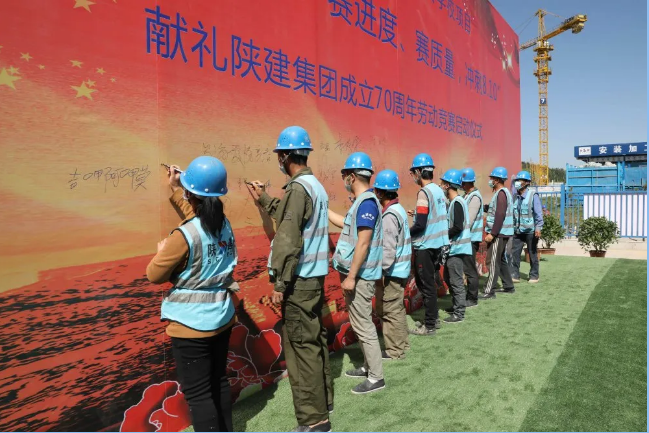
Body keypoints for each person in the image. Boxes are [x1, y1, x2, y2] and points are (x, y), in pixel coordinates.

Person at [247, 126, 333, 433]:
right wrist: (263, 198)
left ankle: (314, 420)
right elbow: (288, 215)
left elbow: (288, 239)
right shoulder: (314, 186)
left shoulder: (297, 189)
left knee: (301, 350)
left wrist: (280, 284)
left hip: (299, 282)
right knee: (314, 342)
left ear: (285, 156)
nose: (279, 161)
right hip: (314, 278)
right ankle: (323, 404)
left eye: (279, 156)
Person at [146, 156, 237, 432]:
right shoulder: (224, 224)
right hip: (222, 317)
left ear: (190, 193)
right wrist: (177, 190)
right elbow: (198, 221)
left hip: (190, 326)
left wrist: (163, 252)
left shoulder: (183, 235)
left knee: (198, 394)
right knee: (219, 382)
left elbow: (154, 275)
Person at [329, 152, 385, 395]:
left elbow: (363, 242)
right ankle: (367, 367)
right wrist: (324, 211)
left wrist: (351, 277)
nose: (344, 179)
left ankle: (376, 378)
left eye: (344, 175)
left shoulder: (367, 203)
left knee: (363, 325)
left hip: (361, 276)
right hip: (358, 274)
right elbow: (347, 224)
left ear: (351, 176)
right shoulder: (362, 202)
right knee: (359, 322)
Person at [407, 153, 449, 336]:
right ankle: (434, 319)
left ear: (419, 172)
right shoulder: (438, 191)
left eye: (413, 172)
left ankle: (430, 324)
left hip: (425, 245)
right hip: (437, 244)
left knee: (426, 285)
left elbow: (420, 225)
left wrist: (404, 234)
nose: (413, 176)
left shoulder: (424, 193)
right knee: (430, 283)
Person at [373, 169, 411, 360]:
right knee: (397, 309)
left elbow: (388, 250)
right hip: (401, 270)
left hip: (393, 272)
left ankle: (395, 350)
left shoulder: (389, 215)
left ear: (380, 193)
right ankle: (402, 344)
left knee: (390, 310)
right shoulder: (399, 210)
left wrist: (380, 272)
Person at [438, 169, 472, 323]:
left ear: (448, 185)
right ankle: (457, 306)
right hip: (455, 248)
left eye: (443, 183)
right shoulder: (454, 202)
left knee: (456, 280)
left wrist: (442, 235)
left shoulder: (457, 202)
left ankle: (459, 313)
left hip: (457, 248)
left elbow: (457, 227)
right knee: (449, 277)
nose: (441, 186)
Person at [481, 166, 515, 299]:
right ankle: (509, 286)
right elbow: (494, 210)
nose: (490, 181)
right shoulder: (502, 193)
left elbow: (500, 215)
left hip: (499, 234)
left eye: (492, 178)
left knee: (493, 262)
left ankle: (489, 291)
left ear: (497, 180)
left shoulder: (501, 194)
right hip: (503, 232)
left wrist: (493, 234)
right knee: (500, 260)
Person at [511, 170, 544, 284]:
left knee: (532, 253)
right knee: (515, 253)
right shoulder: (515, 196)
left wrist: (538, 228)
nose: (517, 182)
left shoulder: (533, 195)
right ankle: (515, 274)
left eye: (520, 180)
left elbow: (538, 213)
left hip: (531, 230)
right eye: (517, 180)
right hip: (517, 230)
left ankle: (534, 275)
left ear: (526, 183)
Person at [460, 168, 483, 307]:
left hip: (471, 238)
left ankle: (472, 298)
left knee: (470, 269)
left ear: (468, 183)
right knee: (467, 268)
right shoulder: (467, 195)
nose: (461, 185)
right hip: (467, 238)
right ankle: (468, 296)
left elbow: (469, 220)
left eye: (463, 183)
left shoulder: (474, 197)